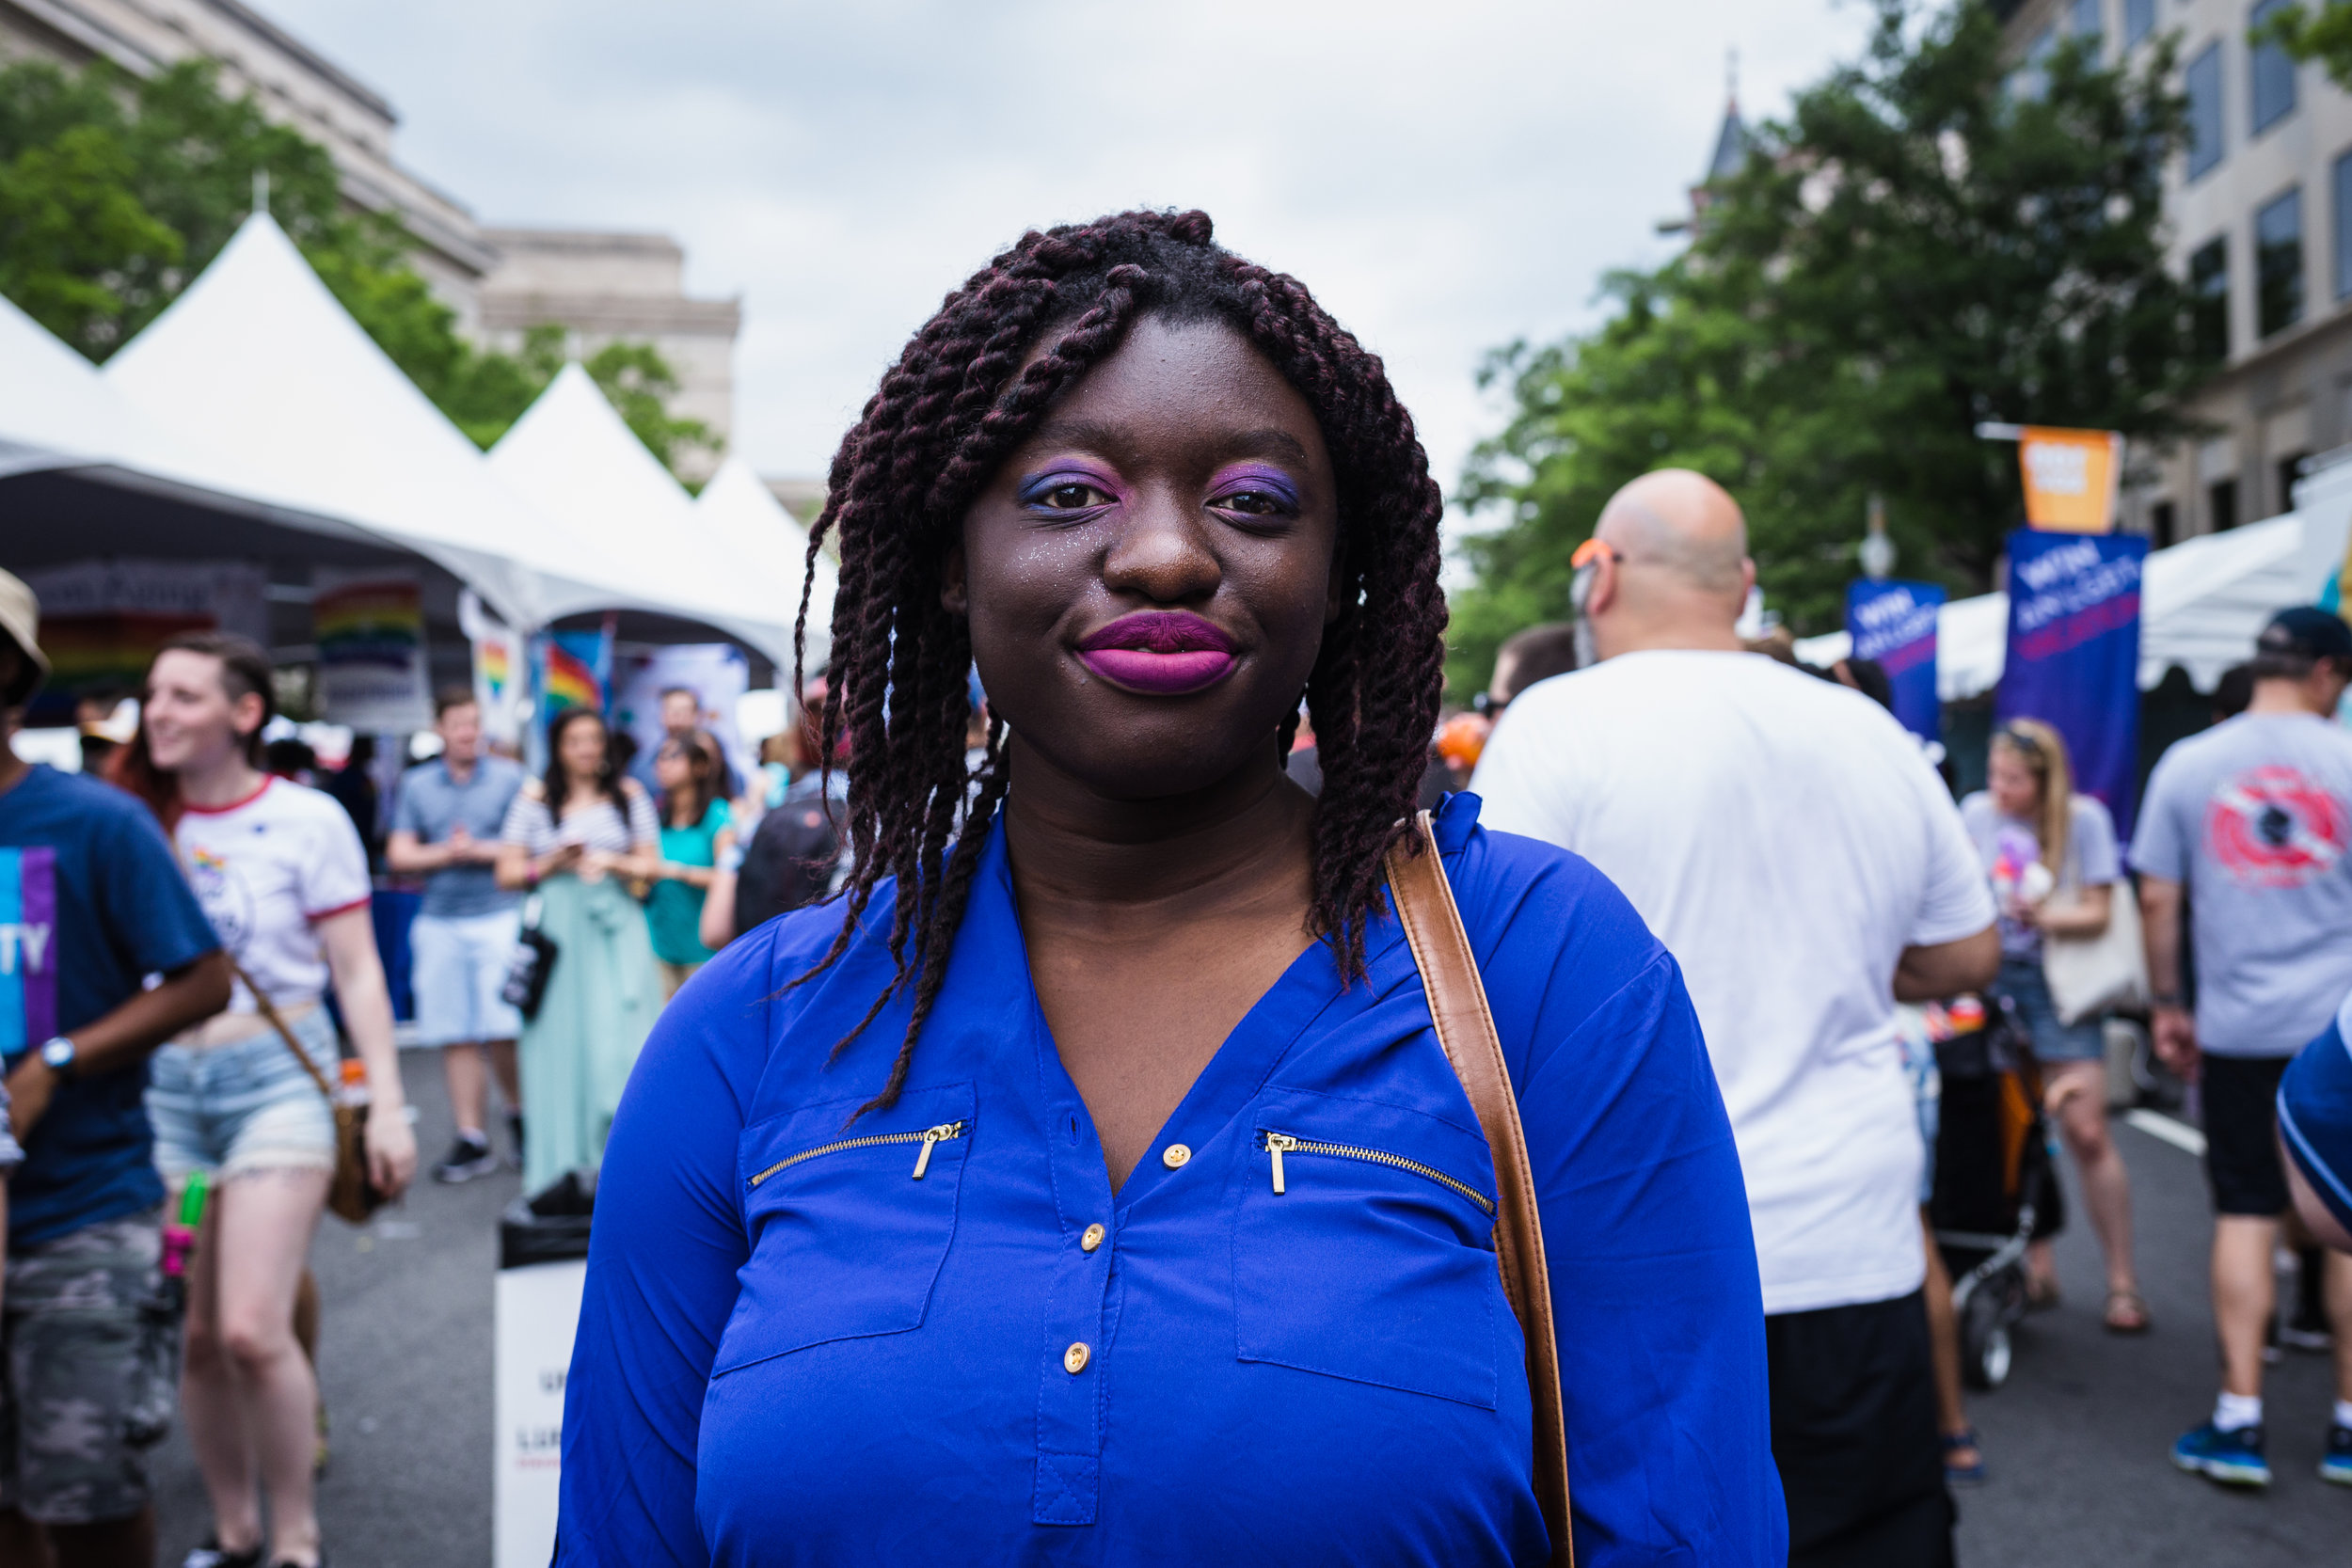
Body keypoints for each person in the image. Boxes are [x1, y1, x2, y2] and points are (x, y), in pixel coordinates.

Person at [557, 210, 1783, 1565]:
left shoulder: (1540, 971)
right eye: (1067, 492)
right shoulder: (754, 1033)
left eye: (1254, 501)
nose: (1163, 555)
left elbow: (1687, 1526)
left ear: (1340, 581)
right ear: (955, 562)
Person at [1472, 467, 1999, 1567]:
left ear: (1600, 574)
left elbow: (1484, 982)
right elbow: (1966, 949)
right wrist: (1839, 957)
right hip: (1850, 1243)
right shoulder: (1863, 728)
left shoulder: (1557, 723)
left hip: (1629, 1260)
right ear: (1744, 583)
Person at [110, 631, 416, 1568]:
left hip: (278, 1084)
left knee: (250, 1323)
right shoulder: (129, 819)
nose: (159, 710)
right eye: (154, 693)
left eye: (185, 695)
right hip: (166, 1099)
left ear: (243, 714)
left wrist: (390, 1102)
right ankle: (234, 1526)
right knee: (195, 1333)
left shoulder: (306, 818)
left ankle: (295, 1536)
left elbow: (358, 971)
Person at [0, 577, 231, 1568]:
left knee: (85, 1495)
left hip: (81, 1214)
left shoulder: (96, 822)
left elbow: (204, 977)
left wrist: (60, 1057)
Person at [2134, 605, 2352, 1488]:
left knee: (2246, 1208)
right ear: (2328, 672)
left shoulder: (2191, 760)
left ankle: (2239, 1415)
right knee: (2345, 1224)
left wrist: (2167, 1004)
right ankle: (2346, 1423)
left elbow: (2156, 900)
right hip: (2338, 1032)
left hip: (2237, 1026)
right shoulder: (2347, 756)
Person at [1958, 719, 2146, 1332]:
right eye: (1995, 774)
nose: (1999, 787)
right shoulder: (1977, 815)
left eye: (2012, 778)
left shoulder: (2084, 820)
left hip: (2060, 987)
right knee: (2012, 1126)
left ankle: (2122, 1280)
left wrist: (2045, 915)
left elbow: (2100, 906)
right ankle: (2035, 1267)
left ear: (2044, 780)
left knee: (2086, 1129)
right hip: (1992, 978)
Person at [495, 707, 663, 1197]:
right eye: (575, 740)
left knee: (624, 1044)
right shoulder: (534, 799)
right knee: (559, 1045)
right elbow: (507, 874)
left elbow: (650, 869)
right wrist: (551, 863)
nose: (587, 749)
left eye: (594, 739)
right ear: (559, 747)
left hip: (616, 928)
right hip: (558, 934)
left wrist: (614, 864)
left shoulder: (629, 797)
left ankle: (626, 1171)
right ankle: (560, 1171)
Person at [386, 689, 528, 1183]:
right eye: (460, 724)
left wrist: (476, 851)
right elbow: (399, 855)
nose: (470, 733)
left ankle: (518, 1114)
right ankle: (472, 1136)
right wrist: (452, 852)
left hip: (500, 915)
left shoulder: (511, 778)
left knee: (505, 1026)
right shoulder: (416, 784)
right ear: (440, 729)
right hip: (439, 918)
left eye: (475, 723)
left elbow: (529, 848)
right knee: (454, 1031)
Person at [701, 692, 842, 951]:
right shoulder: (896, 821)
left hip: (774, 961)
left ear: (797, 742)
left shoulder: (767, 817)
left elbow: (714, 933)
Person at [646, 729, 729, 996]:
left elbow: (727, 876)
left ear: (700, 767)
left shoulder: (717, 815)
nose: (663, 765)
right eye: (660, 758)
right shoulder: (654, 817)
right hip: (659, 946)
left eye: (673, 757)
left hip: (702, 952)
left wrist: (675, 871)